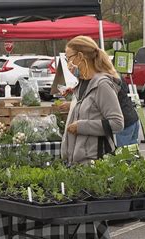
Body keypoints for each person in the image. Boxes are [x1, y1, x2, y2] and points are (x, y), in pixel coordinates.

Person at [61, 36, 124, 164]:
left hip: (95, 162)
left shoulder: (102, 85)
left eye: (69, 59)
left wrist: (81, 126)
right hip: (77, 162)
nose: (68, 64)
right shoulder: (82, 84)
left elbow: (117, 123)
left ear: (80, 57)